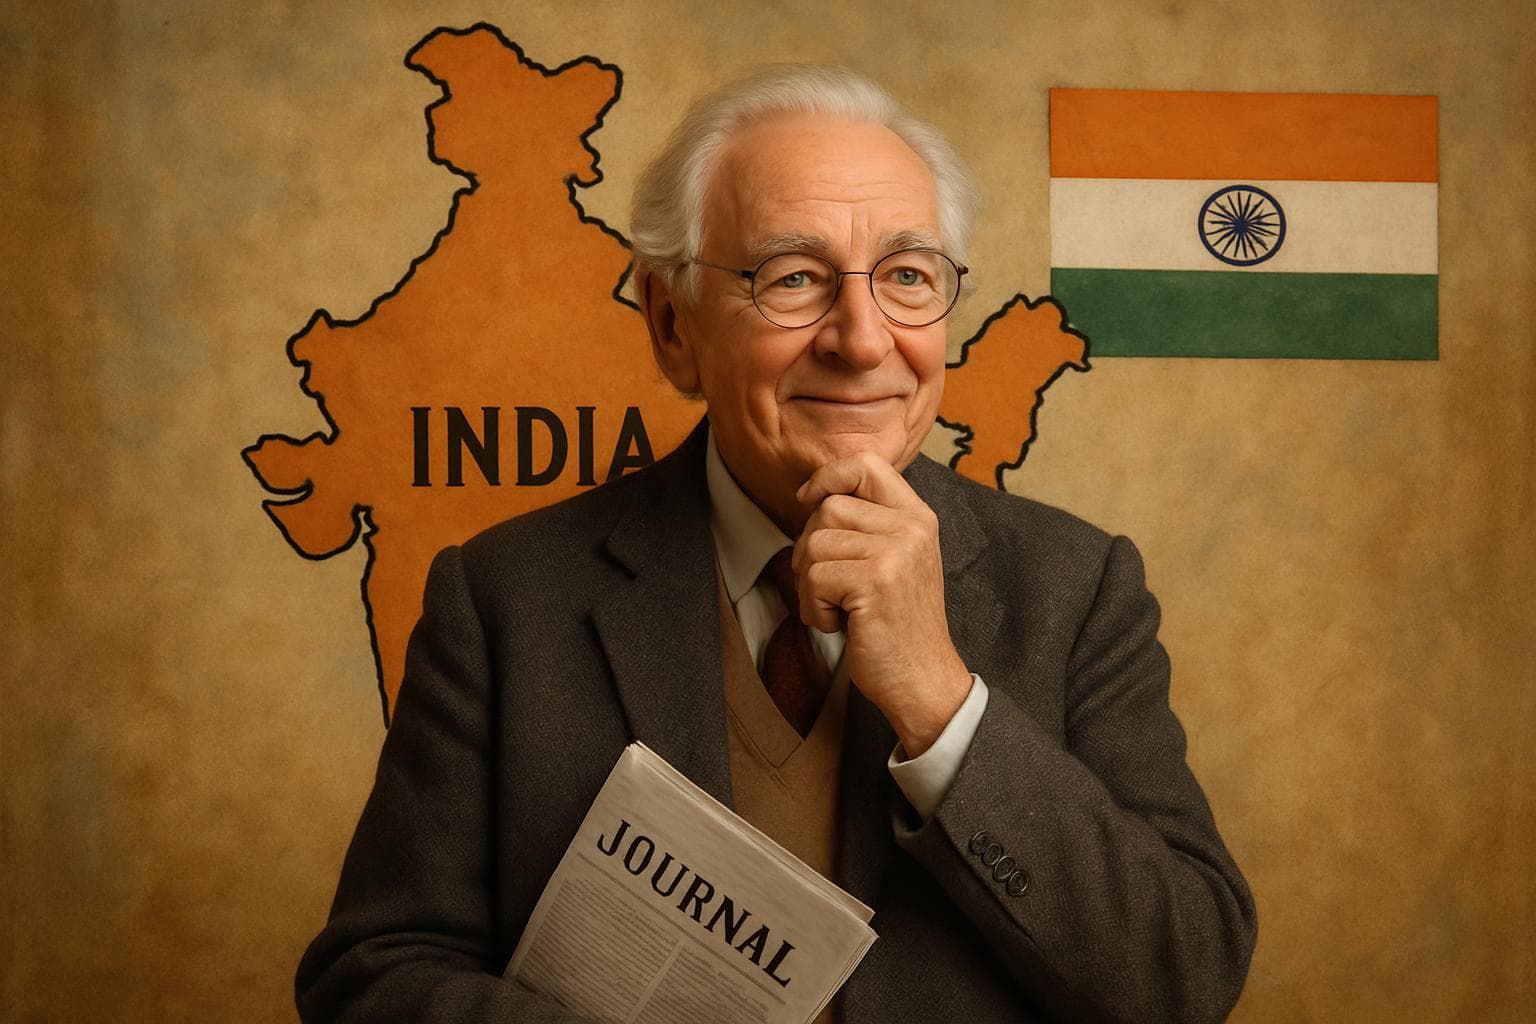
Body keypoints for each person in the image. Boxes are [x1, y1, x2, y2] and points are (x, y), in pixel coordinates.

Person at [297, 65, 1256, 1023]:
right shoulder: (505, 599)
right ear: (673, 325)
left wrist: (940, 701)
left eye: (908, 277)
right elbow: (373, 977)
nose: (862, 340)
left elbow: (1183, 980)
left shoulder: (1077, 588)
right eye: (792, 277)